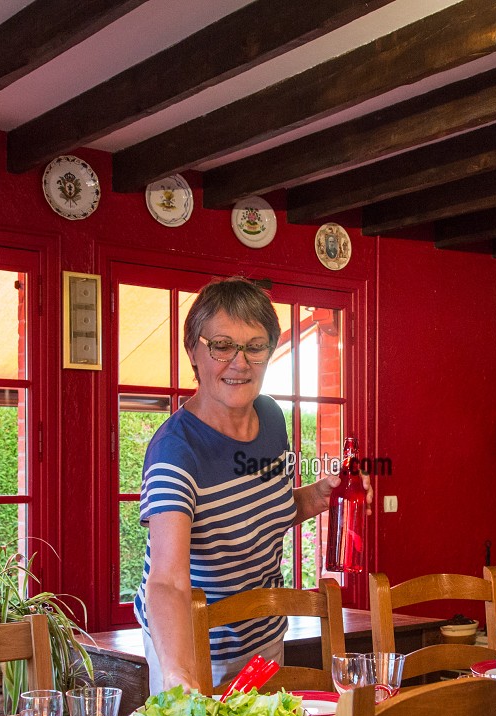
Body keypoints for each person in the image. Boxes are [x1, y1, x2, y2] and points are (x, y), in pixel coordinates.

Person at [135, 277, 350, 693]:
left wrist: (315, 497)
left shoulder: (270, 418)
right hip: (194, 647)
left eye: (255, 346)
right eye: (222, 345)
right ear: (193, 351)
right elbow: (167, 581)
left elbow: (261, 514)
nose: (240, 362)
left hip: (263, 636)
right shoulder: (175, 452)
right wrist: (178, 675)